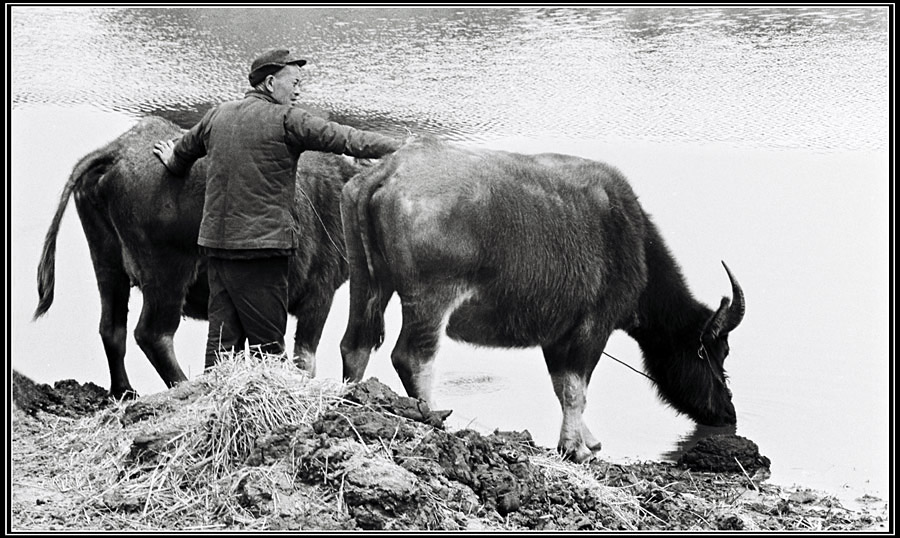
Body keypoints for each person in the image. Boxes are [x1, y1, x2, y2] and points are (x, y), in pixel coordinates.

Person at [153, 48, 401, 369]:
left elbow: (180, 157)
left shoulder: (217, 115)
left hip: (216, 247)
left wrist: (170, 158)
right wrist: (401, 147)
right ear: (270, 83)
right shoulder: (288, 119)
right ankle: (274, 417)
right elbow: (348, 139)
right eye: (294, 83)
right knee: (268, 348)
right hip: (263, 251)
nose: (299, 90)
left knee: (221, 347)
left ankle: (213, 405)